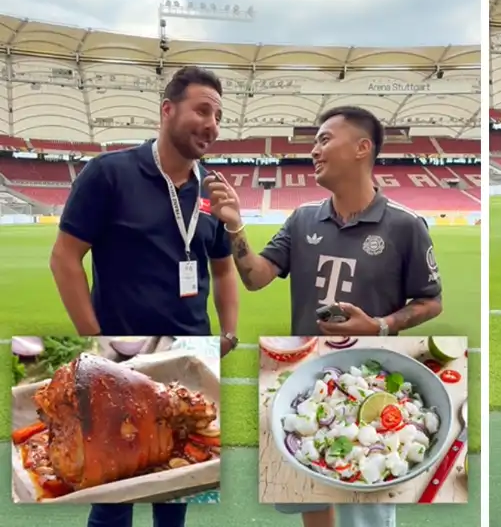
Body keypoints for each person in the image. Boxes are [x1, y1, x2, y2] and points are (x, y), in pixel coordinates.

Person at [206, 105, 443, 527]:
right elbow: (256, 277)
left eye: (325, 139)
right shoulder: (302, 219)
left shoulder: (406, 225)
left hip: (367, 384)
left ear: (362, 148)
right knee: (308, 490)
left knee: (364, 499)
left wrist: (380, 326)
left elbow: (430, 302)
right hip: (308, 380)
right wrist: (236, 228)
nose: (314, 149)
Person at [49, 65, 239, 527]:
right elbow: (65, 258)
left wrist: (230, 331)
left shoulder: (212, 191)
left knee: (174, 487)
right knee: (113, 491)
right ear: (167, 110)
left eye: (218, 115)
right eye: (201, 110)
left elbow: (223, 267)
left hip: (186, 357)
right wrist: (95, 339)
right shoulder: (109, 174)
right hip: (120, 361)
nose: (211, 123)